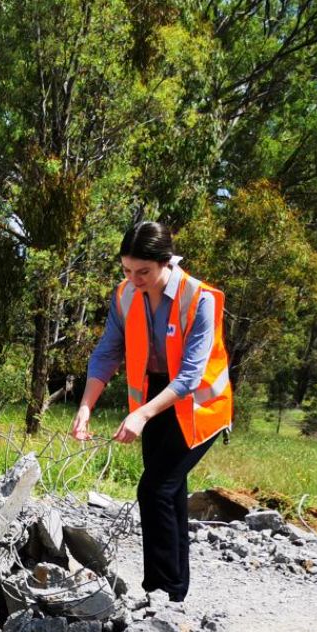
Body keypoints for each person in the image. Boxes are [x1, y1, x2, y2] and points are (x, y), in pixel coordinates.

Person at [70, 221, 233, 602]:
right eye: (127, 270)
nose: (134, 279)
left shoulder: (200, 299)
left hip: (199, 404)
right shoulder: (126, 295)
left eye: (143, 271)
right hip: (155, 397)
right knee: (169, 491)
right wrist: (85, 406)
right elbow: (107, 352)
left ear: (167, 262)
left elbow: (192, 374)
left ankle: (160, 591)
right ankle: (175, 592)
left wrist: (142, 415)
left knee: (155, 488)